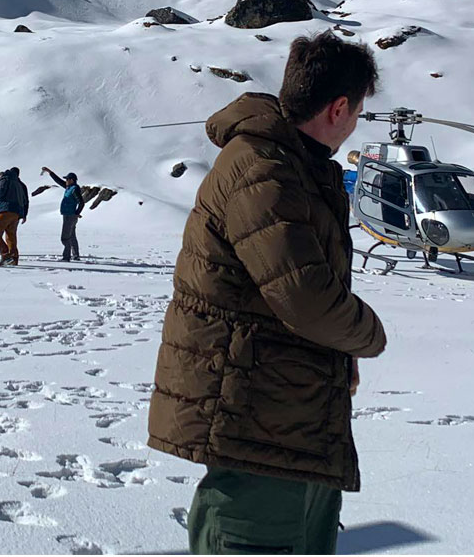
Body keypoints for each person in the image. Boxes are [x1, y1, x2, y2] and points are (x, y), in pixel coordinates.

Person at [148, 31, 388, 555]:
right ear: (339, 107)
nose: (354, 125)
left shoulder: (294, 166)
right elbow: (303, 295)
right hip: (254, 419)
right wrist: (367, 335)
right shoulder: (265, 169)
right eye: (358, 112)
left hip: (287, 418)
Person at [42, 167, 85, 261]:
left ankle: (66, 257)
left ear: (71, 180)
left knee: (65, 237)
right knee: (72, 235)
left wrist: (77, 213)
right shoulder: (69, 187)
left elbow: (81, 202)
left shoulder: (74, 189)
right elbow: (58, 181)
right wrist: (50, 172)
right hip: (68, 215)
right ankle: (75, 255)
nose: (65, 181)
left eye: (67, 179)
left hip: (70, 216)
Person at [0, 166, 29, 267]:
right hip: (17, 213)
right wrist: (23, 214)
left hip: (6, 209)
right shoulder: (20, 184)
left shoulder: (5, 179)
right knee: (11, 236)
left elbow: (1, 192)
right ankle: (14, 259)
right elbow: (25, 200)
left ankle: (5, 255)